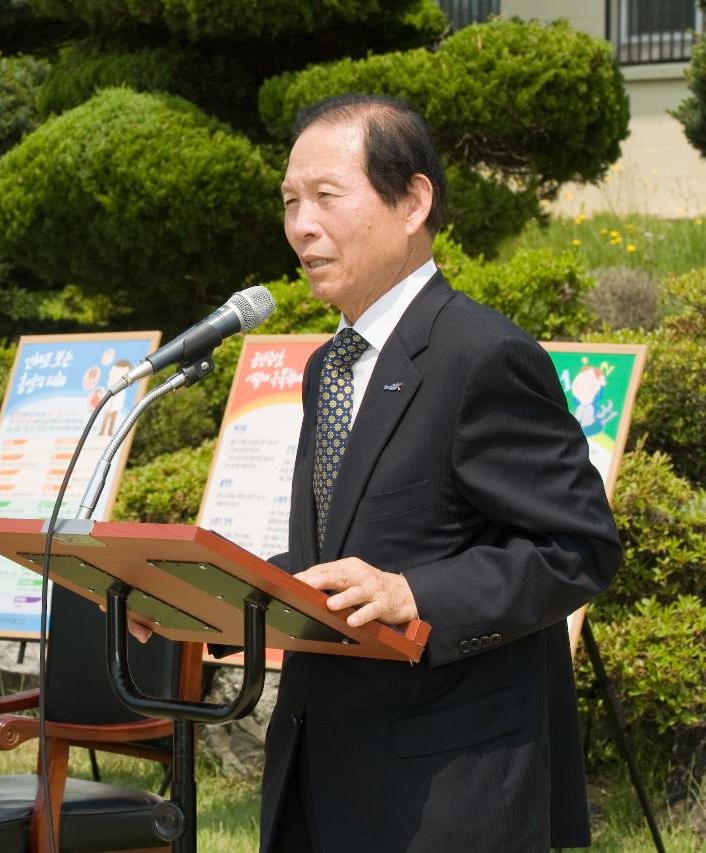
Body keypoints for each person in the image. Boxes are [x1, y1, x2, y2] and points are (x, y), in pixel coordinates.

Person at [261, 94, 621, 852]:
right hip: (322, 763)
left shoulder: (480, 355)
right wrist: (201, 597)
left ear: (413, 199)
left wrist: (414, 594)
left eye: (327, 196)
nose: (301, 225)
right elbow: (343, 553)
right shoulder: (330, 364)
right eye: (290, 201)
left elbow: (579, 548)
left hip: (449, 783)